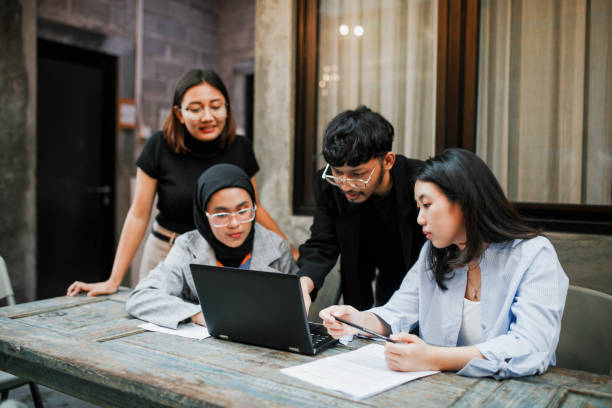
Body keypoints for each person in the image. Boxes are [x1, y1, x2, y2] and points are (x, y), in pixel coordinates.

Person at [319, 148, 569, 379]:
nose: (419, 219)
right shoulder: (434, 253)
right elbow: (398, 311)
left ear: (465, 201)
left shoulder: (534, 255)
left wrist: (433, 358)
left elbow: (531, 346)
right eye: (418, 207)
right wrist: (356, 321)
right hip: (440, 390)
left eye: (427, 205)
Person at [68, 69, 294, 297]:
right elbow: (139, 213)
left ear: (227, 107)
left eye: (215, 106)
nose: (207, 117)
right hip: (166, 251)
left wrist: (287, 249)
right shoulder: (158, 146)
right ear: (178, 113)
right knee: (155, 317)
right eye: (195, 109)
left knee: (212, 325)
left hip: (218, 257)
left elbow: (254, 206)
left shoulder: (240, 147)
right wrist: (113, 280)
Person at [125, 164, 298, 328]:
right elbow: (141, 297)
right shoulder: (187, 247)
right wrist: (200, 315)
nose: (234, 223)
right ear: (203, 215)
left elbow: (293, 313)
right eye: (221, 214)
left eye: (243, 211)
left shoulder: (278, 249)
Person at [297, 106, 425, 313]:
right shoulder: (328, 185)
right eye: (338, 172)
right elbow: (321, 244)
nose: (345, 185)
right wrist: (303, 284)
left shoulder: (420, 183)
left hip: (420, 283)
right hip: (360, 286)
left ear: (388, 161)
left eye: (358, 174)